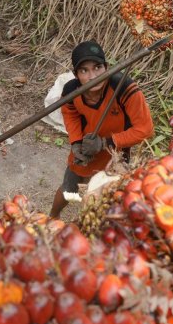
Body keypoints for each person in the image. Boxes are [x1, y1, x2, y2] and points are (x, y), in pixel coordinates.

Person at [50, 39, 154, 217]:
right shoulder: (71, 91)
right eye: (84, 70)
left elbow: (145, 129)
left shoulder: (124, 88)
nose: (92, 76)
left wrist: (106, 142)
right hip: (86, 149)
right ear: (76, 75)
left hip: (116, 155)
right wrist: (75, 142)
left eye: (97, 67)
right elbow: (71, 114)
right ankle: (52, 216)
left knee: (107, 200)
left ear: (106, 67)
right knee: (69, 188)